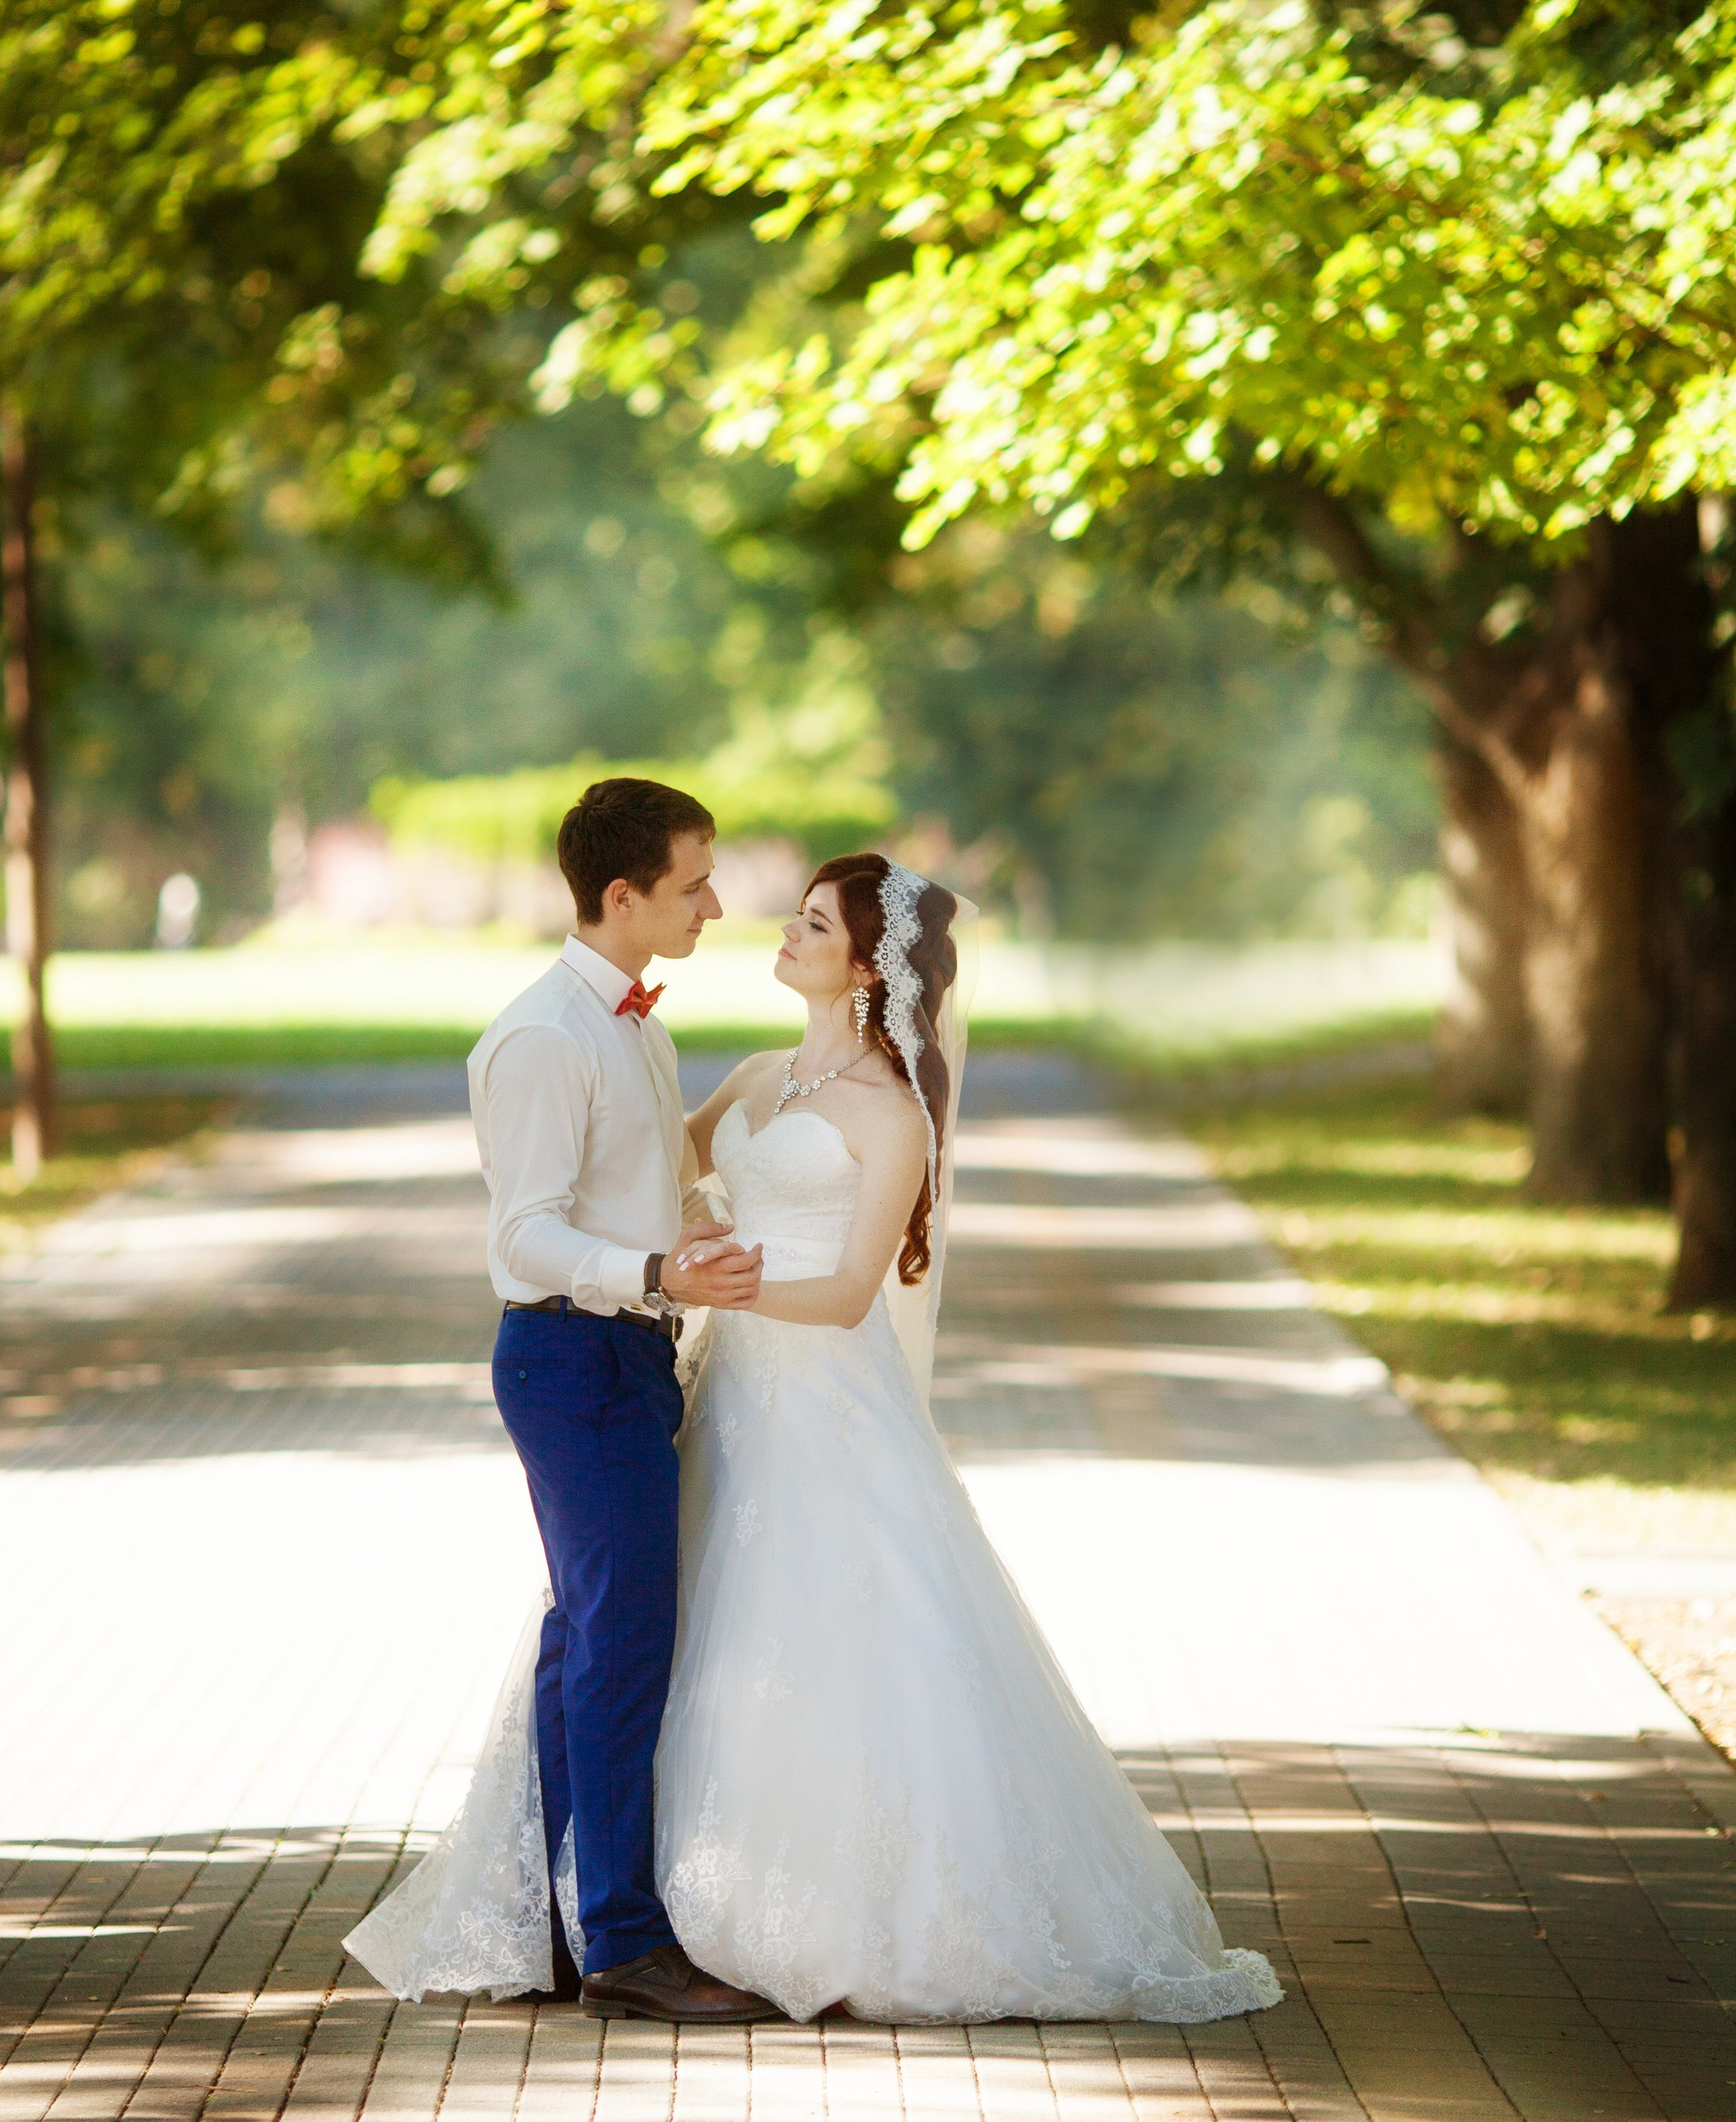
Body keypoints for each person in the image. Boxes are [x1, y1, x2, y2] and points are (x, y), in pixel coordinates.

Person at [348, 843, 1281, 2026]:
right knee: (652, 1632)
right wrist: (647, 1241)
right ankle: (632, 1908)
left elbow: (847, 1292)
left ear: (868, 971)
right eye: (791, 918)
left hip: (824, 1398)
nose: (780, 934)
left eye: (813, 928)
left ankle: (844, 1911)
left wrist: (707, 1287)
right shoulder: (756, 1078)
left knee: (820, 1628)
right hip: (718, 1390)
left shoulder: (892, 1114)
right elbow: (649, 1170)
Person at [344, 777, 777, 2026]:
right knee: (622, 1645)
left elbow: (641, 1185)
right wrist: (649, 1272)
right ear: (623, 895)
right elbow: (525, 1237)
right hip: (571, 1360)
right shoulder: (541, 1038)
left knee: (581, 1642)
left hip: (631, 1358)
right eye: (694, 882)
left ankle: (544, 1914)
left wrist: (711, 1213)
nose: (714, 902)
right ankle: (629, 1946)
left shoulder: (637, 1025)